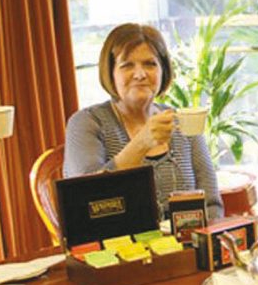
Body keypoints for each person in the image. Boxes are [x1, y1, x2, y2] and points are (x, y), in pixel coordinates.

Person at [63, 23, 223, 219]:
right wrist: (141, 143)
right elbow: (84, 198)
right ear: (110, 73)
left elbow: (212, 203)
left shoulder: (182, 121)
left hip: (187, 237)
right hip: (118, 238)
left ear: (163, 70)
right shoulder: (87, 122)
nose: (140, 74)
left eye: (150, 64)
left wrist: (206, 235)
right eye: (127, 65)